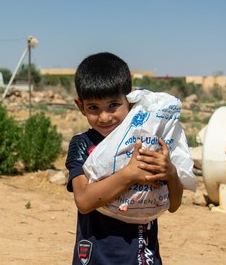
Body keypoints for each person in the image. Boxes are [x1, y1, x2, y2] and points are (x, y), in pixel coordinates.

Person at [65, 52, 195, 264]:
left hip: (144, 257)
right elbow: (84, 201)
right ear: (81, 107)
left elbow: (173, 205)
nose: (105, 116)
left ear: (131, 101)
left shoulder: (149, 143)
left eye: (113, 105)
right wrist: (129, 174)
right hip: (99, 257)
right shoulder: (83, 145)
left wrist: (170, 173)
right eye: (93, 108)